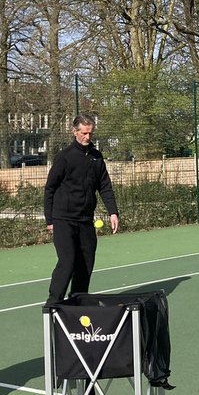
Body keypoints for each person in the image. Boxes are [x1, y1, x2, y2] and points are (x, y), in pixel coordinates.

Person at [44, 115, 120, 305]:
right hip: (63, 219)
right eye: (84, 133)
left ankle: (78, 299)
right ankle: (54, 302)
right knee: (68, 261)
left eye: (90, 133)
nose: (87, 136)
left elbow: (105, 185)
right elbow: (50, 188)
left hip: (86, 220)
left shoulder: (96, 156)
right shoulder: (65, 157)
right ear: (75, 131)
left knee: (86, 263)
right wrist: (50, 220)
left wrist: (113, 212)